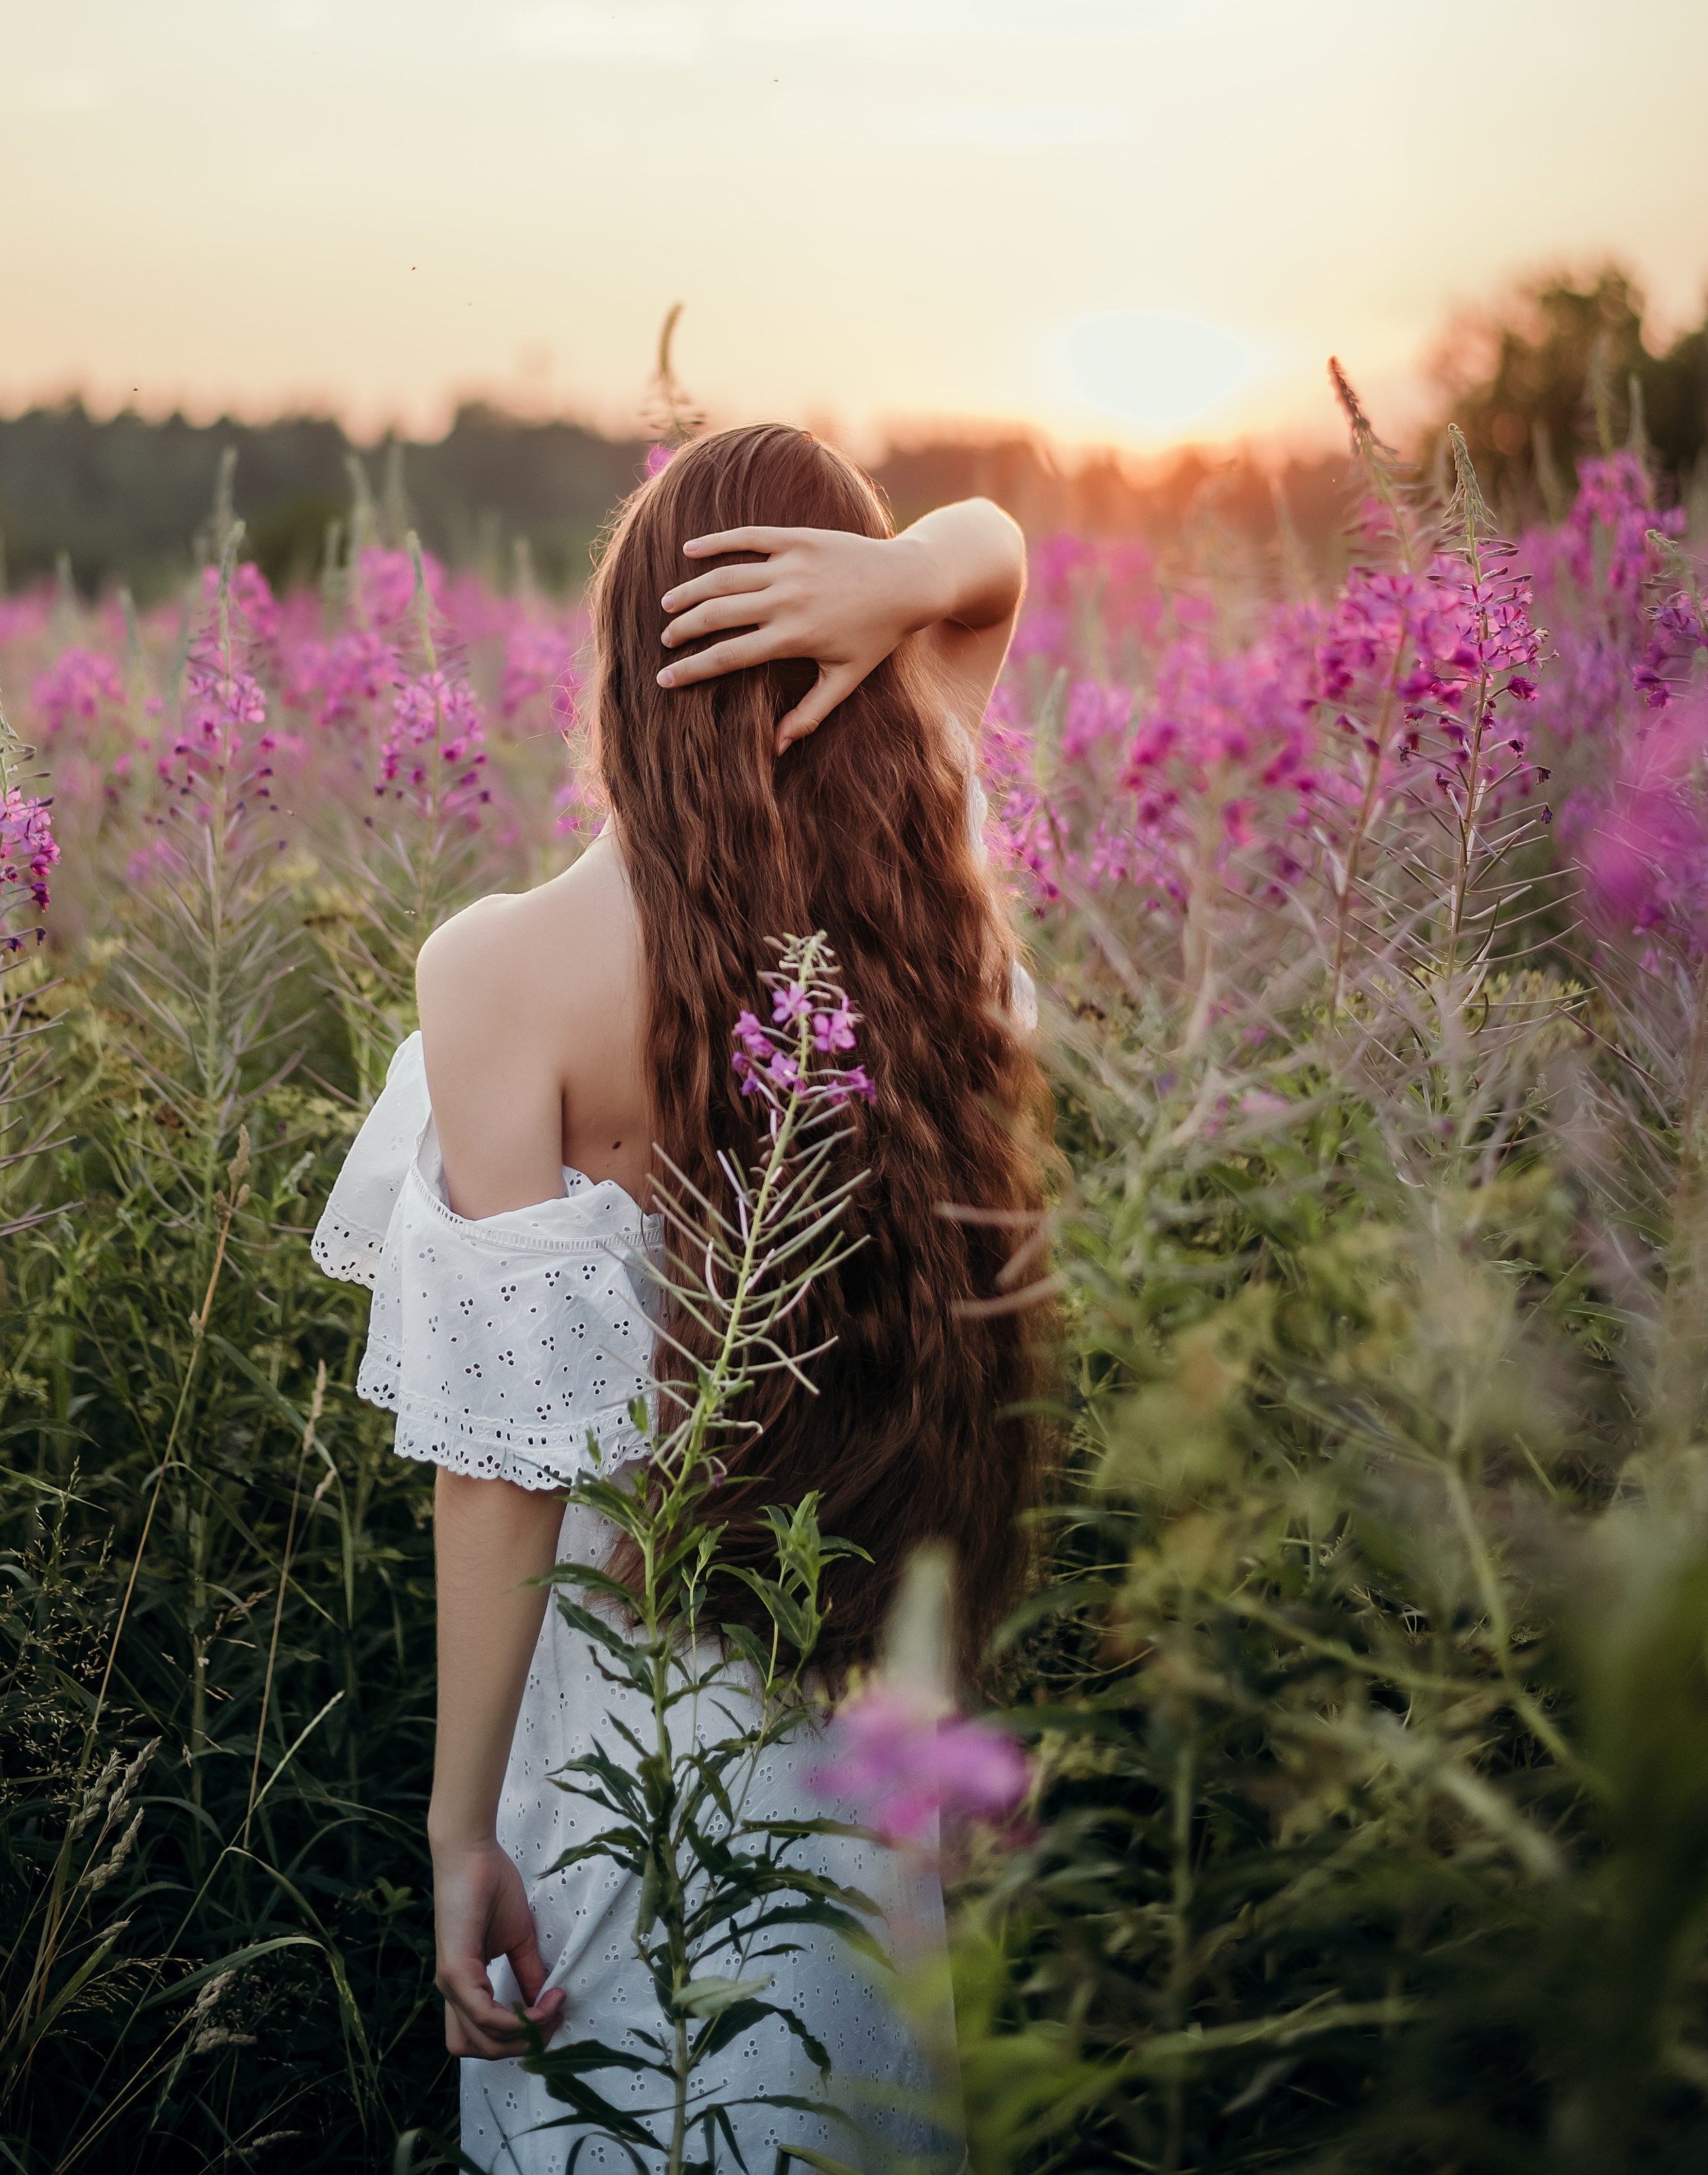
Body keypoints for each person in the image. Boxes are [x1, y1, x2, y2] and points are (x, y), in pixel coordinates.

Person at [313, 424, 1051, 2170]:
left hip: (616, 1713)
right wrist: (900, 578)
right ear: (861, 640)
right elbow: (991, 556)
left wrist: (458, 1823)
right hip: (856, 1683)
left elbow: (505, 1466)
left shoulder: (503, 968)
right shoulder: (930, 896)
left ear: (627, 658)